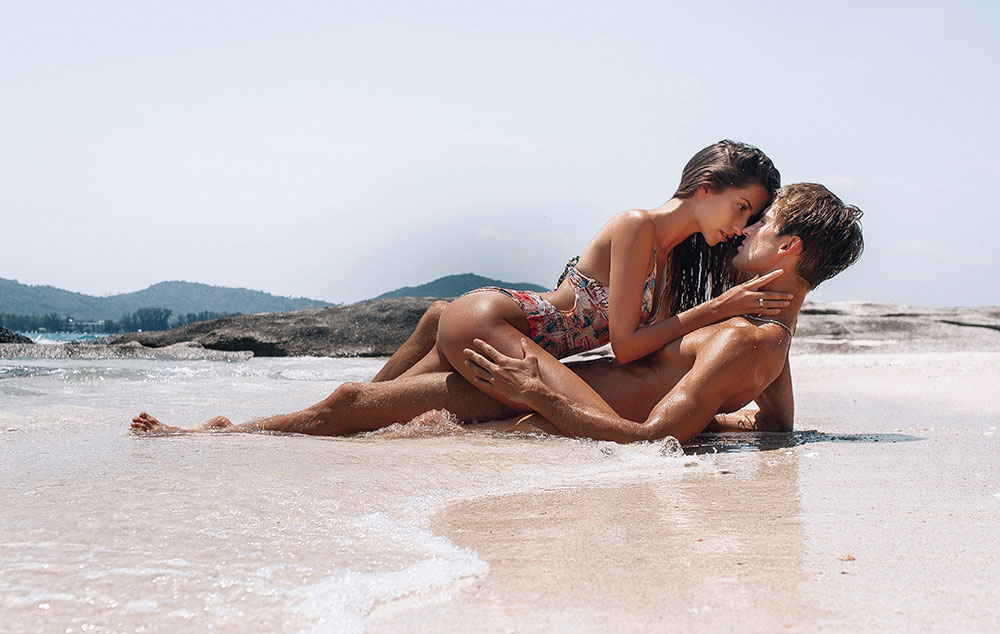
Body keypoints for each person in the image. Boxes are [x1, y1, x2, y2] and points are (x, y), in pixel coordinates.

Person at [131, 183, 863, 444]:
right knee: (368, 406)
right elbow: (776, 426)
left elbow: (651, 442)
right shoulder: (770, 338)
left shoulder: (746, 337)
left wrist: (542, 396)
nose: (746, 230)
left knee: (360, 404)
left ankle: (214, 436)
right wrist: (715, 417)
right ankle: (220, 433)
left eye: (761, 226)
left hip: (532, 398)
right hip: (538, 389)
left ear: (787, 246)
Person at [385, 140, 788, 413]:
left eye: (750, 217)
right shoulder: (637, 225)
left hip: (515, 337)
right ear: (706, 187)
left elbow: (649, 349)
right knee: (599, 421)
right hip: (492, 321)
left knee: (374, 411)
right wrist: (718, 307)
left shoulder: (673, 257)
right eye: (740, 207)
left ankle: (328, 448)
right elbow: (626, 346)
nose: (741, 226)